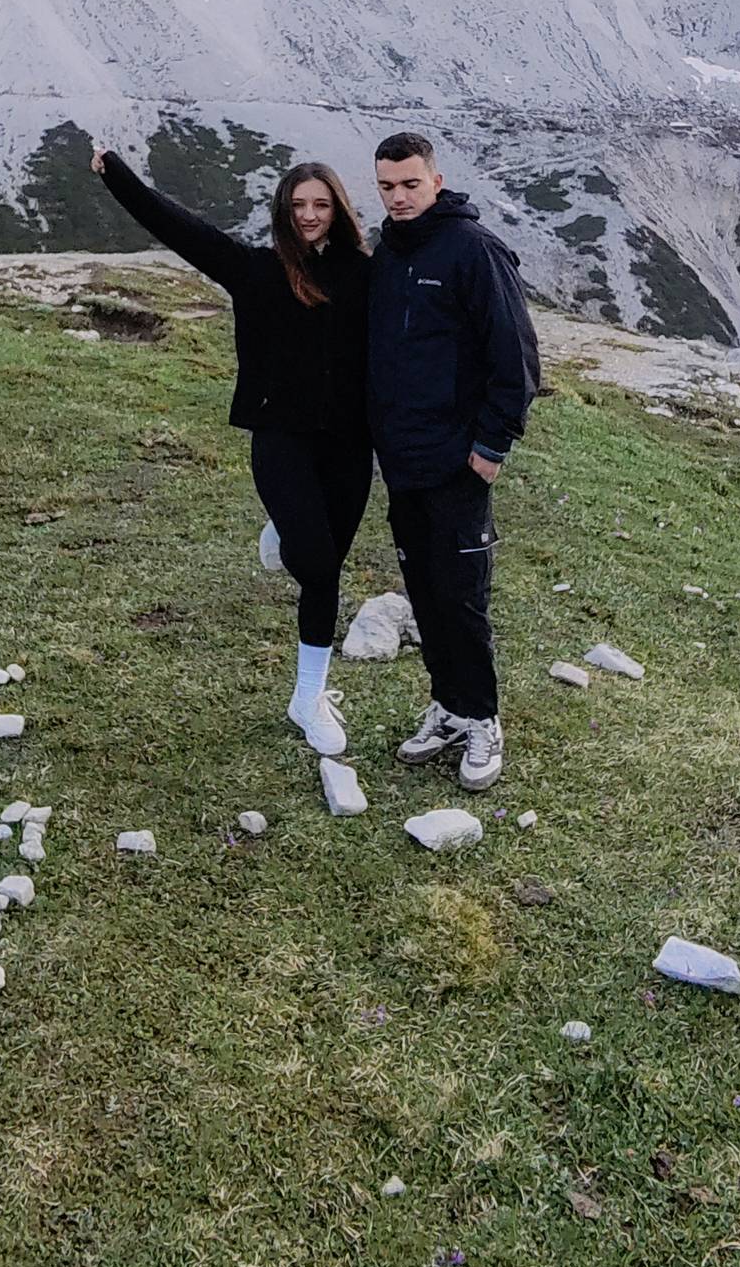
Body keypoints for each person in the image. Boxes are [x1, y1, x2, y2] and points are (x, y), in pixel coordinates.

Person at [91, 142, 369, 756]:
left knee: (326, 570)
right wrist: (118, 174)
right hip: (281, 440)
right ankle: (308, 694)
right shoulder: (255, 270)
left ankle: (305, 686)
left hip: (351, 445)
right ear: (282, 209)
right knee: (318, 565)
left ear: (340, 210)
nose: (309, 214)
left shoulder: (366, 274)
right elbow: (177, 226)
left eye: (321, 204)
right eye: (298, 204)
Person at [365, 130, 542, 793]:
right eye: (387, 186)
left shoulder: (473, 250)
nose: (399, 197)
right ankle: (448, 706)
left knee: (463, 597)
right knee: (426, 592)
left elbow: (516, 359)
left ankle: (483, 720)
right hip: (403, 462)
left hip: (458, 463)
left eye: (411, 184)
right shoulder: (387, 254)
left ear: (436, 181)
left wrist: (491, 449)